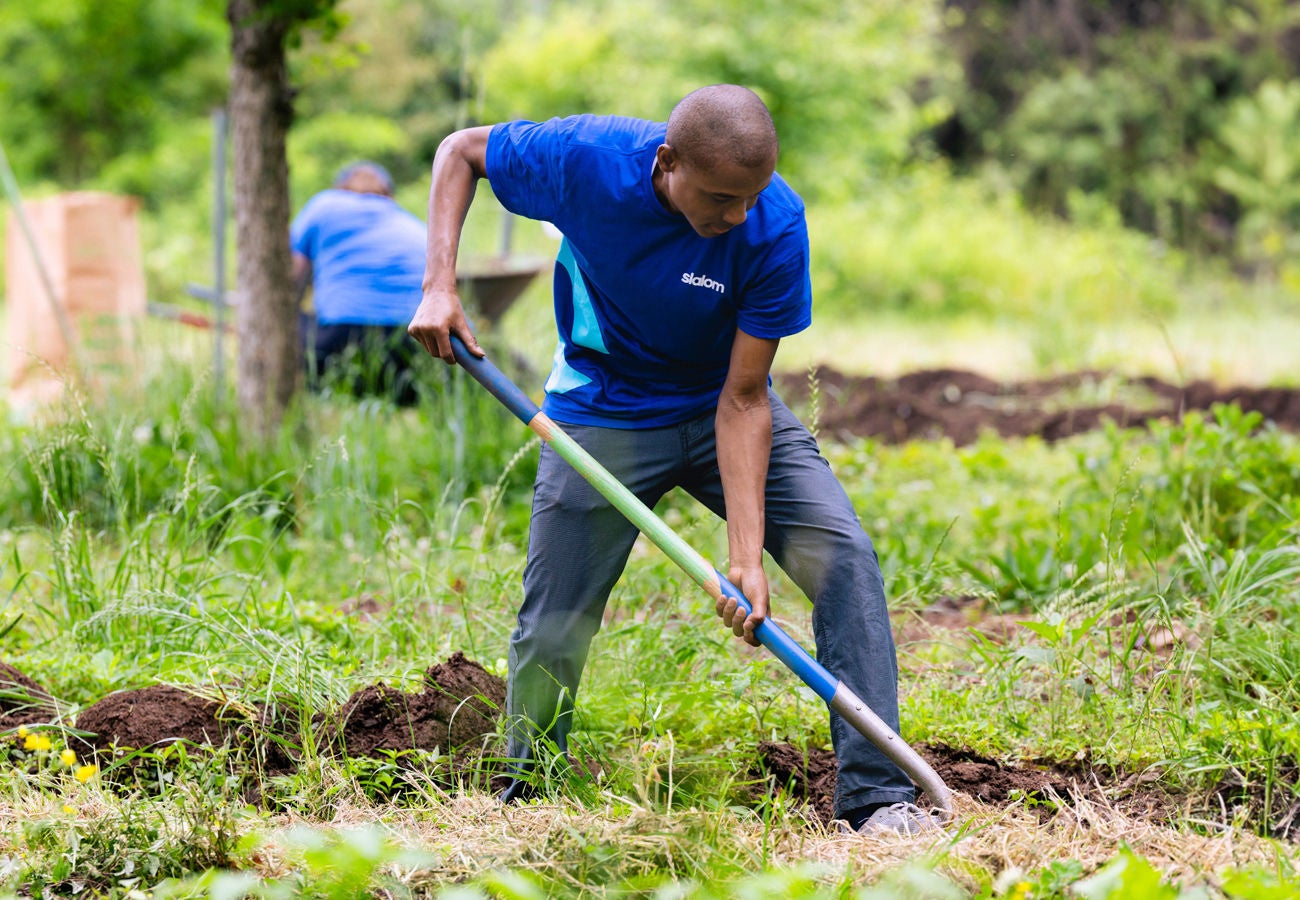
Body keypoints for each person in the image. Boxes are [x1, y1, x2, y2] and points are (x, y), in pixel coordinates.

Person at [408, 85, 938, 835]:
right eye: (722, 197)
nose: (738, 216)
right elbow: (460, 151)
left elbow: (746, 399)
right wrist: (439, 286)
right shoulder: (585, 161)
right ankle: (531, 796)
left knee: (842, 556)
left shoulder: (774, 225)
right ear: (668, 164)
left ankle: (878, 798)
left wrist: (744, 555)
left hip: (721, 400)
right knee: (556, 610)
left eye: (751, 196)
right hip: (603, 408)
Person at [291, 161, 427, 405]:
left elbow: (290, 278)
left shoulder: (325, 205)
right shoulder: (412, 223)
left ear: (341, 188)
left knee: (290, 322)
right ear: (389, 195)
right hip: (415, 355)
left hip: (339, 350)